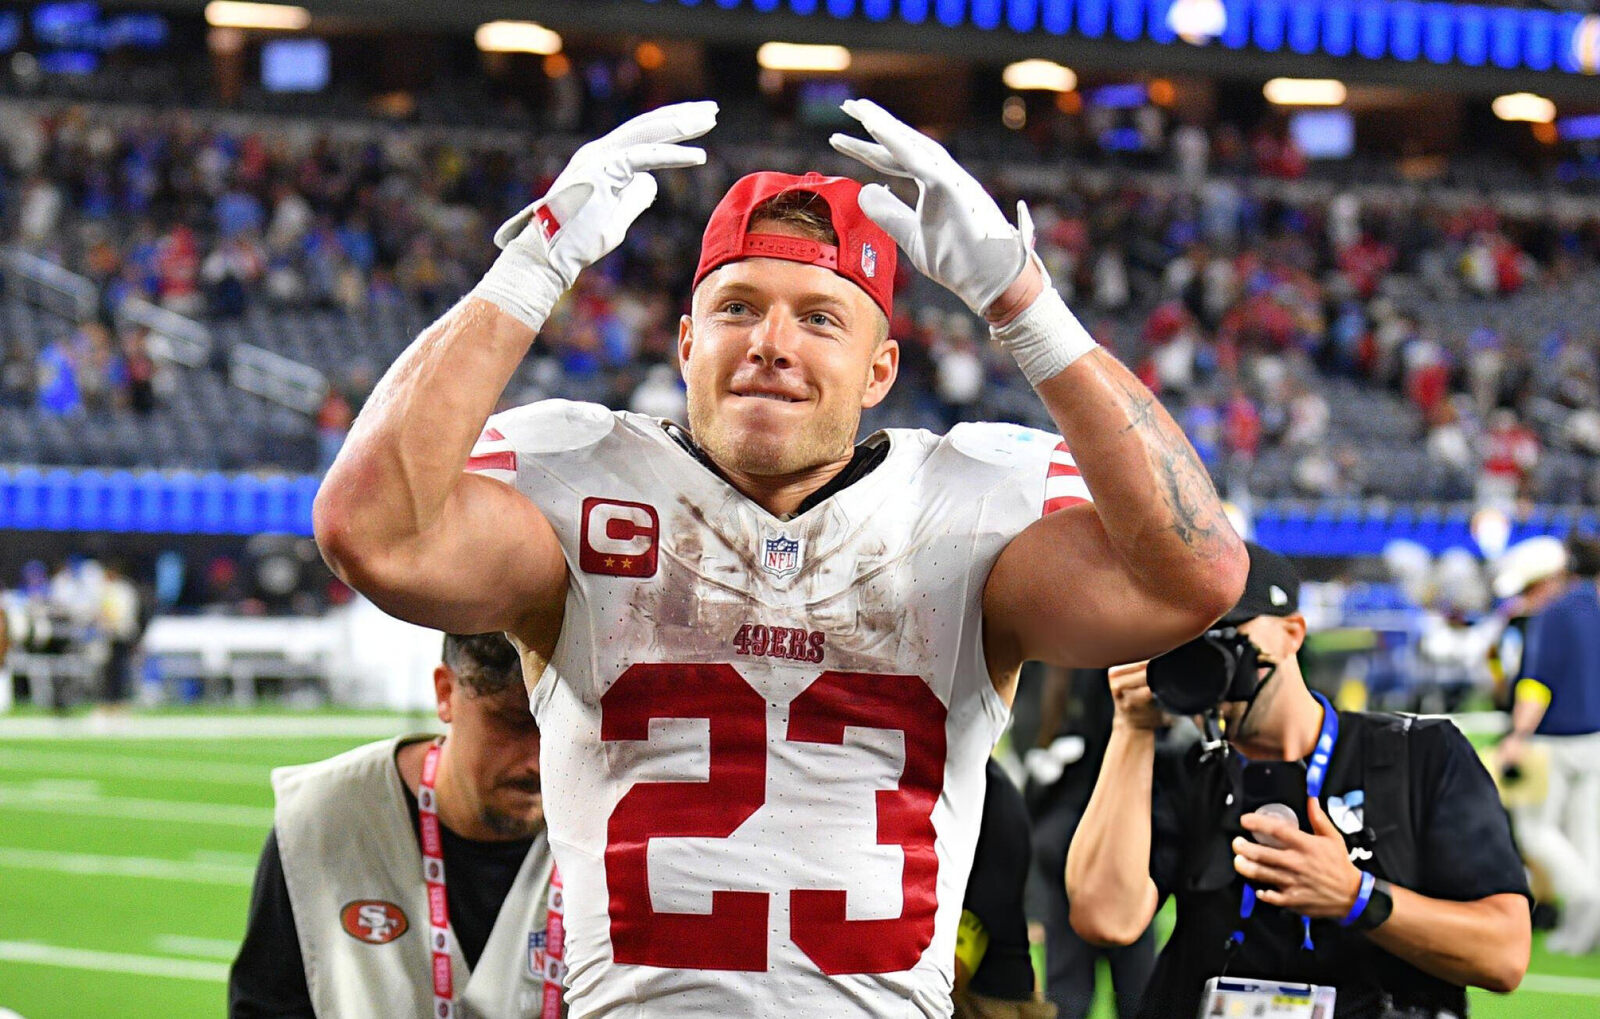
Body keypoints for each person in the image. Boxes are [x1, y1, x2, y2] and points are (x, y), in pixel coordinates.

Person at [313, 98, 1246, 1015]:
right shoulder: (582, 484)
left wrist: (1026, 305)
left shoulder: (961, 507)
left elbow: (1197, 575)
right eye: (737, 307)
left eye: (820, 319)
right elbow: (371, 532)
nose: (770, 343)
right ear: (686, 345)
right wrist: (531, 266)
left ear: (880, 370)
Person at [1066, 543, 1532, 1018]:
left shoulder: (1418, 755)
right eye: (1185, 641)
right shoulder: (1188, 767)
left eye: (1225, 636)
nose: (1207, 659)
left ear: (1292, 634)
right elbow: (1106, 921)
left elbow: (1504, 955)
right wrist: (1131, 729)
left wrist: (1356, 897)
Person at [229, 633, 561, 1019]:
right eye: (514, 722)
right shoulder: (324, 817)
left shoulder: (608, 821)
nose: (540, 759)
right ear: (445, 693)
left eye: (564, 728)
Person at [1025, 666, 1154, 1018]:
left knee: (1111, 991)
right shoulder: (1087, 677)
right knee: (1099, 992)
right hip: (1083, 849)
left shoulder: (1069, 674)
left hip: (1085, 846)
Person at [1498, 533, 1600, 954]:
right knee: (1585, 835)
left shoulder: (1554, 614)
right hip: (1593, 738)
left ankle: (1588, 900)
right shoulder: (1593, 607)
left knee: (1535, 830)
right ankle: (1581, 934)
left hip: (1551, 740)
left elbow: (1536, 684)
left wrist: (1517, 736)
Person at [955, 759, 1057, 1019]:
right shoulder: (990, 784)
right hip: (1003, 992)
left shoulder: (983, 790)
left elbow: (979, 921)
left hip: (984, 1000)